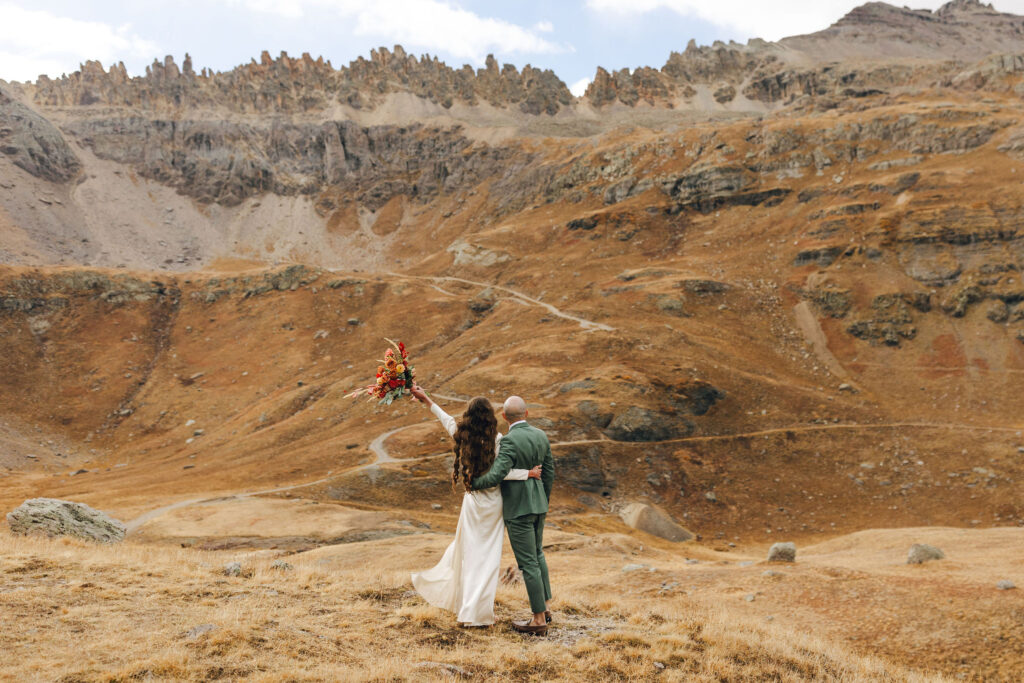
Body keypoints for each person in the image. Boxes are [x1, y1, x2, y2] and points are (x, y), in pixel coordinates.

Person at [408, 385, 541, 627]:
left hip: (472, 504)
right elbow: (503, 473)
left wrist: (426, 399)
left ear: (469, 416)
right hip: (493, 506)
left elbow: (444, 418)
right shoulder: (498, 440)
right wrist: (527, 473)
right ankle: (479, 613)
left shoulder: (462, 435)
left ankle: (470, 609)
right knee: (487, 560)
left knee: (469, 557)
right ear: (491, 417)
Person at [471, 395, 555, 636]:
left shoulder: (509, 441)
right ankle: (546, 607)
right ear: (526, 414)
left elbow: (498, 474)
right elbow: (549, 472)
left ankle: (538, 619)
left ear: (504, 416)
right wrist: (542, 498)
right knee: (538, 555)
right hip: (539, 504)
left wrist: (473, 483)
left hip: (519, 509)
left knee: (528, 562)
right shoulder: (541, 435)